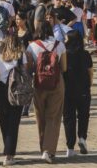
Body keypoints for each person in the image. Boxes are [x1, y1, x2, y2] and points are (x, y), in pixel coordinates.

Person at [27, 21, 67, 164]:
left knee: (40, 116)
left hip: (39, 83)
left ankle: (42, 147)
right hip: (56, 83)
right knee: (54, 117)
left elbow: (29, 67)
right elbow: (64, 67)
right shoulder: (60, 44)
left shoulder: (32, 46)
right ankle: (48, 151)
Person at [0, 34, 29, 166]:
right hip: (16, 90)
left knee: (4, 121)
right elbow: (26, 72)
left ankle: (8, 151)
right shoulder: (20, 55)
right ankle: (9, 154)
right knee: (14, 122)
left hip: (2, 89)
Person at [62, 30, 93, 158]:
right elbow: (90, 72)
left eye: (65, 39)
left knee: (69, 119)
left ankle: (70, 147)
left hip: (68, 90)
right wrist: (89, 85)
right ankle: (82, 138)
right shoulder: (86, 54)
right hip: (84, 90)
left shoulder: (65, 54)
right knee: (83, 116)